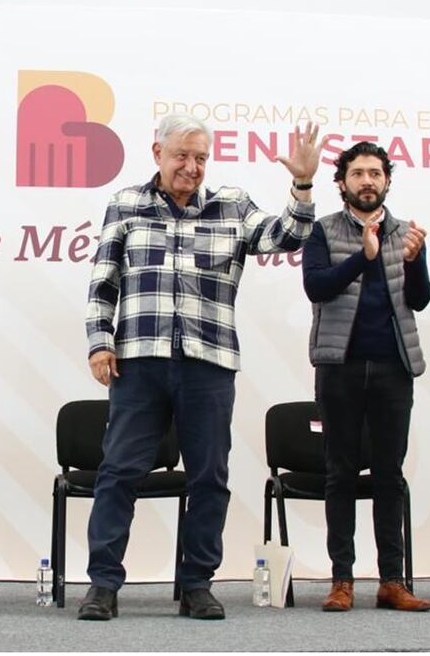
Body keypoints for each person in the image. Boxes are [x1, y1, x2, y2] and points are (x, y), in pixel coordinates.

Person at [80, 113, 321, 620]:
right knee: (119, 472)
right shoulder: (125, 203)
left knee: (209, 475)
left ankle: (197, 584)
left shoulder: (231, 204)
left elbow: (286, 237)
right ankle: (103, 584)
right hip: (139, 361)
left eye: (200, 158)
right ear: (158, 153)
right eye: (181, 156)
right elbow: (104, 281)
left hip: (208, 363)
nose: (191, 167)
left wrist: (302, 185)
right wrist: (100, 343)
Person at [301, 141, 430, 612]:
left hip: (394, 368)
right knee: (339, 473)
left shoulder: (407, 233)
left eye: (375, 173)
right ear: (342, 183)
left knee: (389, 475)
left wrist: (414, 262)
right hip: (339, 367)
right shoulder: (322, 230)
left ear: (387, 181)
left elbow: (418, 300)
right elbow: (317, 286)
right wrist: (364, 256)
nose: (367, 181)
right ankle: (342, 580)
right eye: (358, 173)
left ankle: (392, 581)